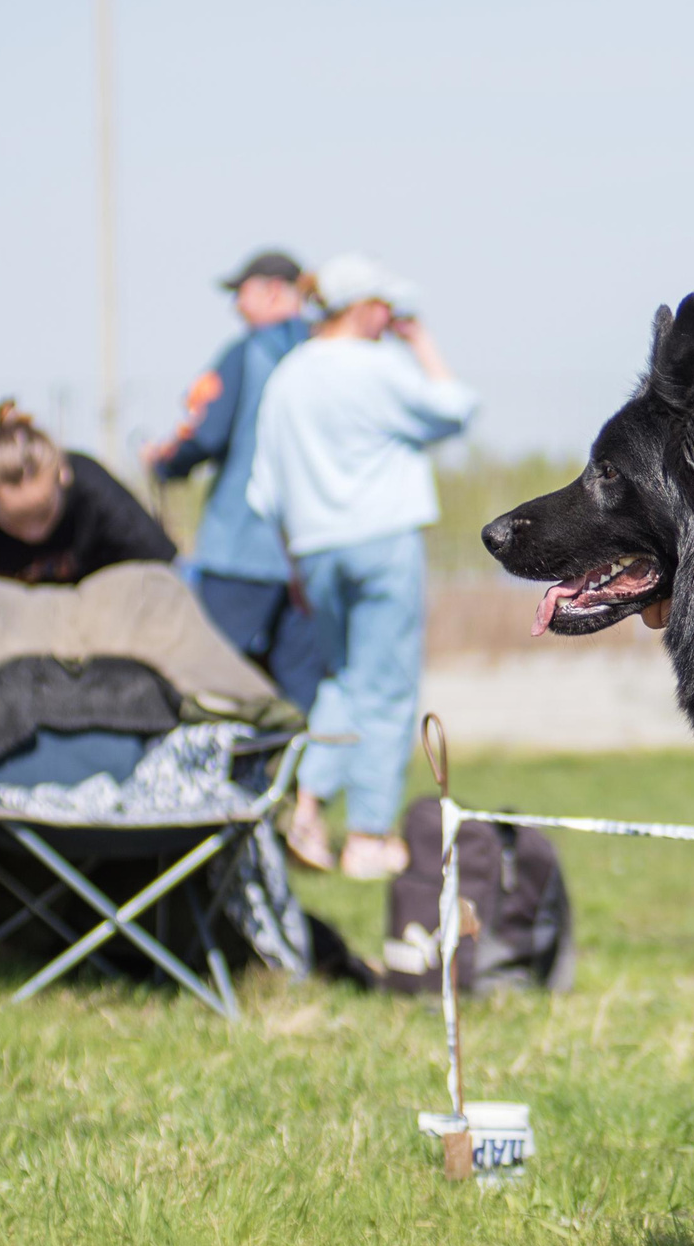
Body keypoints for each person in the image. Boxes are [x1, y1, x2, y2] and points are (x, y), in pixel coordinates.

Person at [247, 253, 476, 882]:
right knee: (388, 689)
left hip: (315, 549)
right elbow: (455, 408)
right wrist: (423, 343)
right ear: (366, 306)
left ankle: (310, 809)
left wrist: (295, 561)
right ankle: (369, 836)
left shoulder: (288, 376)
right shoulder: (381, 368)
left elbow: (264, 490)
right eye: (387, 306)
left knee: (344, 681)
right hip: (383, 541)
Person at [144, 250, 327, 710]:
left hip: (240, 553)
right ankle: (293, 782)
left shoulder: (244, 353)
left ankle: (223, 780)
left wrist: (164, 462)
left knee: (213, 683)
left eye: (240, 294)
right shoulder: (325, 352)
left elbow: (203, 434)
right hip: (311, 556)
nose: (236, 308)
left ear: (271, 291)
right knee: (299, 694)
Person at [0, 402, 175, 585]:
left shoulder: (93, 488)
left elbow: (165, 567)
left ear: (63, 476)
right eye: (16, 520)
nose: (33, 533)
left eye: (43, 513)